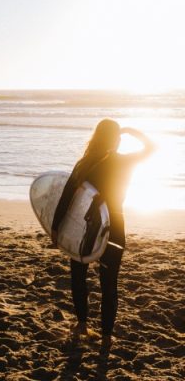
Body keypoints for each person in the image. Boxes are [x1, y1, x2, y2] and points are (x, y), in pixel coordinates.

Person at [51, 119, 155, 352]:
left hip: (83, 227)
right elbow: (152, 148)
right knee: (109, 284)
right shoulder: (123, 162)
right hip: (113, 225)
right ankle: (106, 337)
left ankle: (82, 325)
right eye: (117, 136)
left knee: (78, 276)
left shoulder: (84, 163)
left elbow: (66, 198)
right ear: (115, 138)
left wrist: (56, 227)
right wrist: (133, 131)